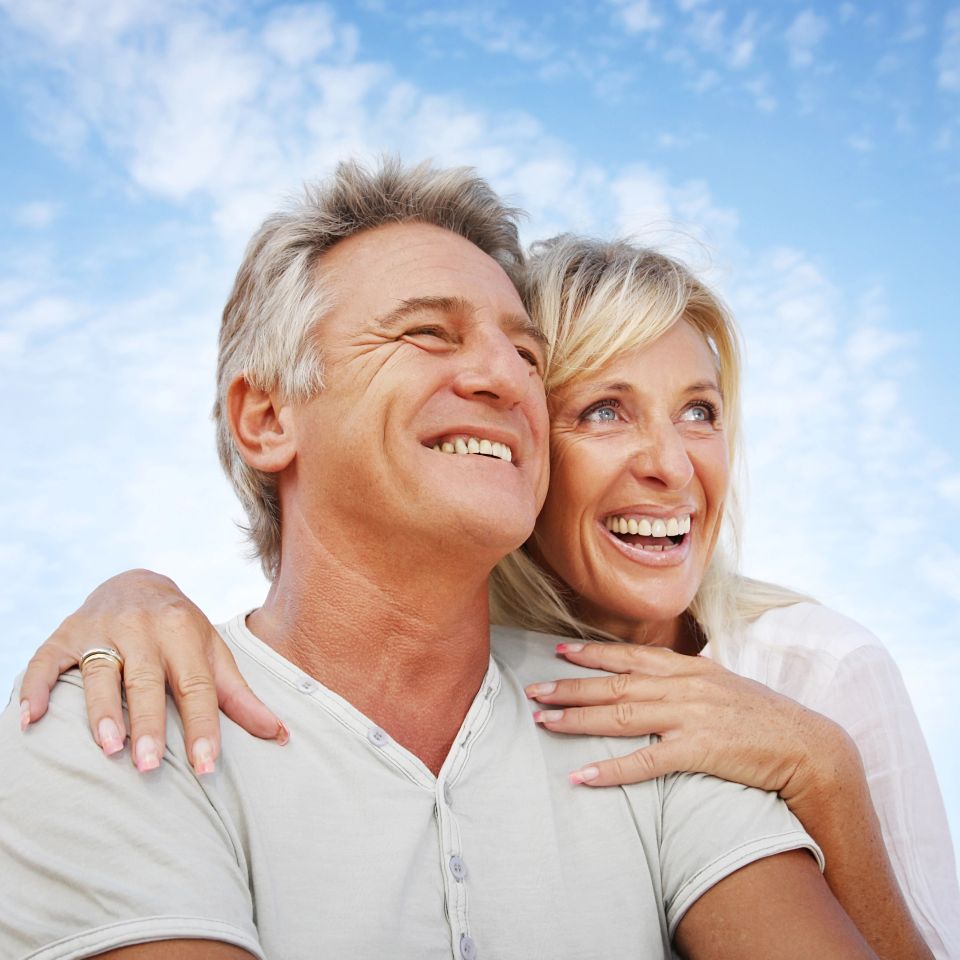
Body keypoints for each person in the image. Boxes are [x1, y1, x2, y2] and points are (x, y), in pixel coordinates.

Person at [0, 159, 877, 960]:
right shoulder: (116, 717)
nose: (505, 378)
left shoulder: (651, 715)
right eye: (427, 334)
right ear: (266, 417)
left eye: (527, 354)